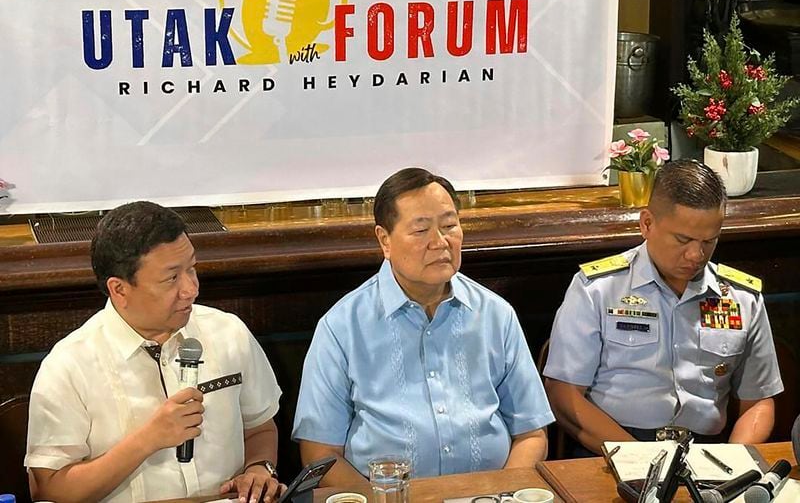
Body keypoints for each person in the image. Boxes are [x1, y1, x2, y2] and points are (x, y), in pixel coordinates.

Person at [292, 167, 554, 485]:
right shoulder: (342, 326)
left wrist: (500, 494)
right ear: (384, 240)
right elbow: (321, 452)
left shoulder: (495, 314)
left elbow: (531, 433)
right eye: (421, 231)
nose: (440, 242)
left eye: (449, 226)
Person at [25, 201, 284, 503]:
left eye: (192, 268)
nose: (191, 289)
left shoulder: (228, 332)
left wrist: (259, 468)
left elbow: (260, 428)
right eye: (172, 278)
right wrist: (148, 439)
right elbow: (50, 488)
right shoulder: (68, 366)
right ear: (119, 289)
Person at [544, 160, 784, 456]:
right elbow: (563, 393)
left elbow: (759, 400)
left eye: (709, 241)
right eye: (683, 240)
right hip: (613, 448)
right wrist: (637, 458)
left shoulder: (741, 298)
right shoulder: (598, 289)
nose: (696, 255)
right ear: (647, 223)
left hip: (707, 453)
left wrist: (734, 461)